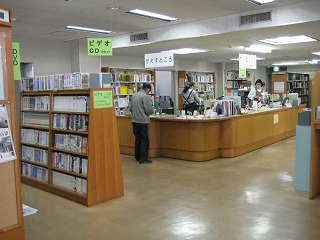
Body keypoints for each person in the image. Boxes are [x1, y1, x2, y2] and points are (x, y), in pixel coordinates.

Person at [129, 83, 154, 164]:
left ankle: (137, 157)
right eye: (149, 91)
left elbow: (130, 108)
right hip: (143, 122)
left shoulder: (134, 96)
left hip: (134, 121)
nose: (148, 92)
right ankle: (143, 159)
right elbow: (149, 110)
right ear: (147, 90)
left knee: (138, 139)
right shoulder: (145, 96)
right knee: (144, 140)